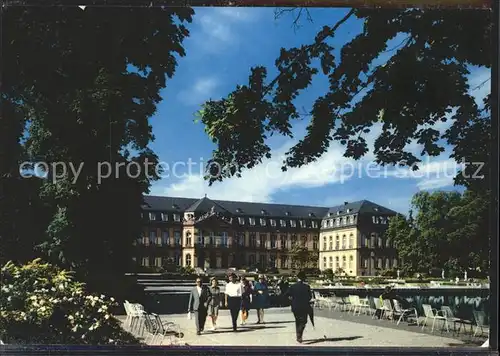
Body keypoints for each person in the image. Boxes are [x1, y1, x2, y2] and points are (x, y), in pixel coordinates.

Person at [285, 270, 313, 343]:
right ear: (304, 278)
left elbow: (286, 294)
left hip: (295, 307)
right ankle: (299, 334)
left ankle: (298, 336)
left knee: (297, 321)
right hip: (304, 306)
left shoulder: (293, 286)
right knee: (304, 321)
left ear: (298, 278)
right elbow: (310, 297)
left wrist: (291, 299)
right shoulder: (307, 287)